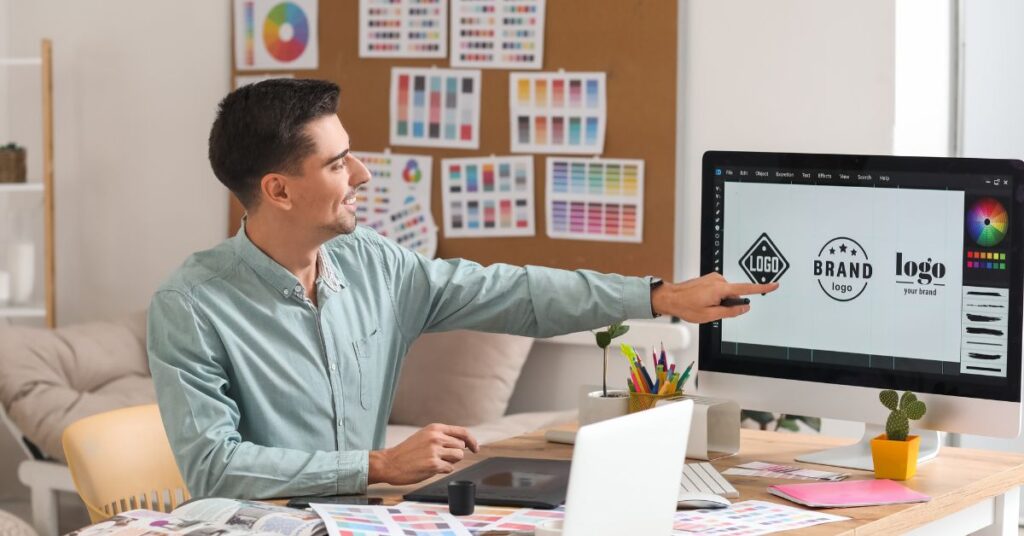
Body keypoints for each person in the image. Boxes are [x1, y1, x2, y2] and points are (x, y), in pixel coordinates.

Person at [147, 79, 777, 499]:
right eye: (338, 163)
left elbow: (513, 293)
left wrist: (657, 297)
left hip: (369, 517)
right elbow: (214, 466)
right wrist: (379, 466)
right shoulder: (192, 306)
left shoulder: (372, 263)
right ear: (278, 190)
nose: (362, 173)